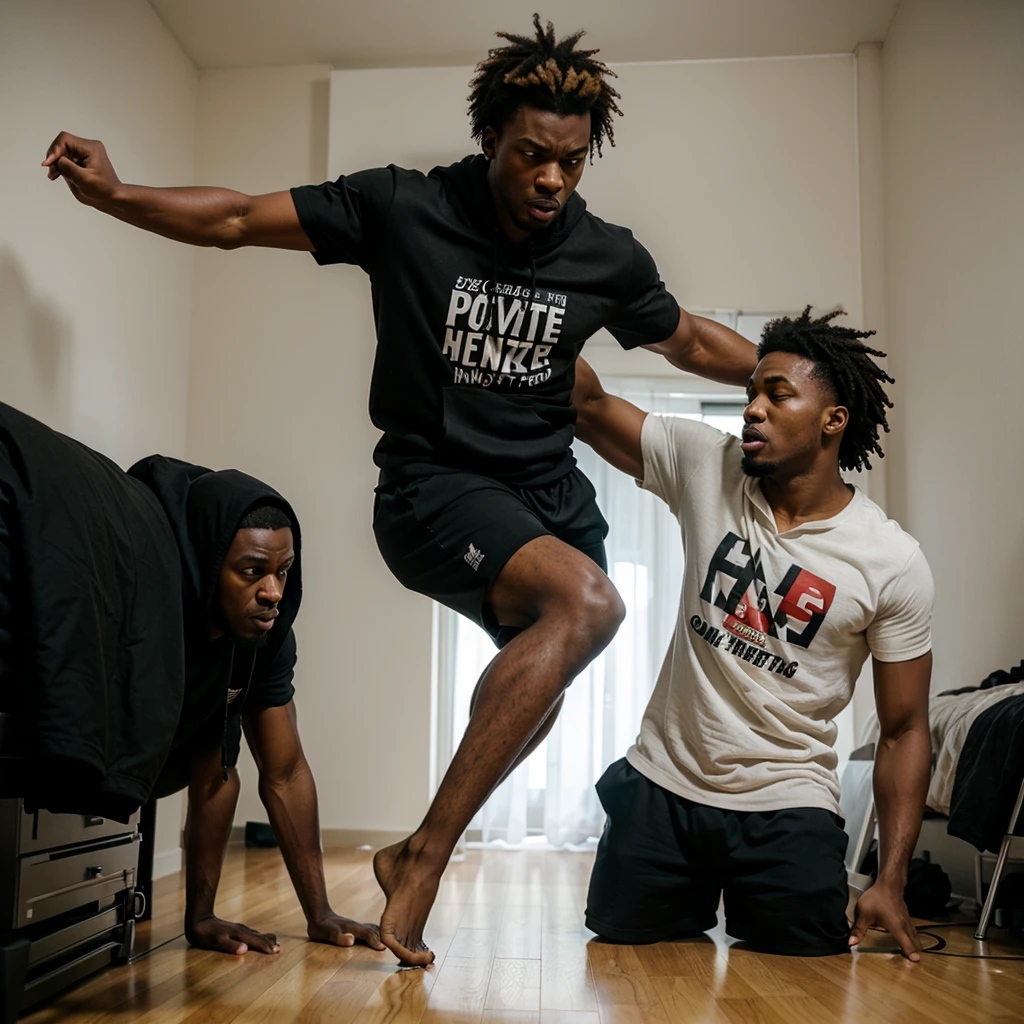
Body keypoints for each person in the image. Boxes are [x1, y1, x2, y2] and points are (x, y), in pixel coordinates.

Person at [42, 16, 757, 964]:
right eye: (534, 156)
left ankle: (414, 846)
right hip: (435, 488)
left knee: (529, 698)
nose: (553, 181)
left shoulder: (606, 257)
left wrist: (812, 375)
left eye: (573, 164)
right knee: (590, 603)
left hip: (554, 497)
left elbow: (696, 344)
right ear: (490, 137)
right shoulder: (403, 208)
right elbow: (234, 219)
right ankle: (424, 856)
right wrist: (117, 195)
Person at [572, 308, 934, 960]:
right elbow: (590, 405)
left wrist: (893, 878)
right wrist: (537, 289)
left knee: (809, 955)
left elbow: (905, 729)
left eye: (778, 394)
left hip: (787, 801)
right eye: (751, 394)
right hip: (664, 785)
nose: (754, 410)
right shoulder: (707, 465)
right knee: (617, 938)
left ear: (834, 419)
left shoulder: (891, 561)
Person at [129, 457, 385, 957]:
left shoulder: (268, 634)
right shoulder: (156, 612)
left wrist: (320, 913)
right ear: (208, 565)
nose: (272, 592)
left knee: (221, 758)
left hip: (188, 742)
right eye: (251, 572)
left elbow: (282, 773)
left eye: (282, 572)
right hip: (126, 745)